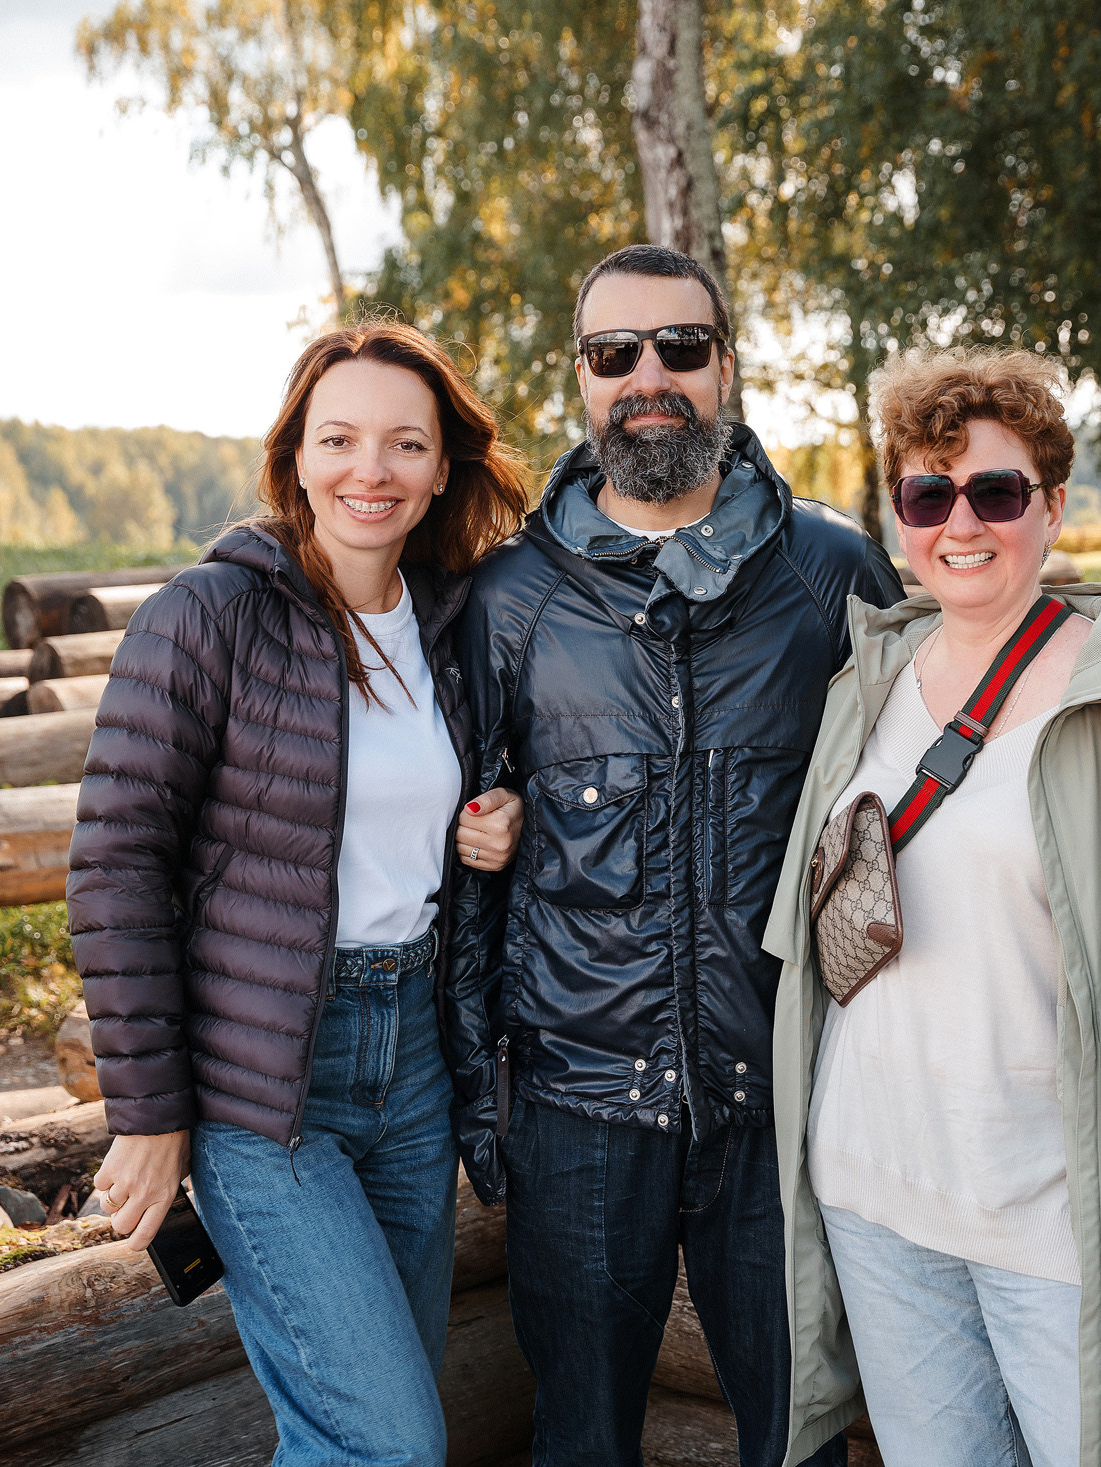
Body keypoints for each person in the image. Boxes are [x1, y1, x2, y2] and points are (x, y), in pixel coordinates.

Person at [761, 347, 1101, 1466]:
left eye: (995, 492)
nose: (962, 523)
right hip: (873, 1196)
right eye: (927, 493)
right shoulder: (865, 687)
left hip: (1062, 1224)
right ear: (896, 515)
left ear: (1052, 508)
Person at [443, 244, 904, 1467]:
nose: (650, 377)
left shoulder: (832, 572)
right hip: (577, 1109)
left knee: (799, 1440)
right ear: (583, 382)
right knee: (582, 1442)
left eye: (680, 349)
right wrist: (478, 1109)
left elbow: (906, 820)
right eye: (615, 354)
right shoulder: (509, 602)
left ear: (727, 369)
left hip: (786, 1102)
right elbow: (462, 879)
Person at [66, 318, 531, 1466]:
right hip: (265, 1082)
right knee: (385, 1440)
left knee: (359, 1428)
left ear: (441, 466)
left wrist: (493, 817)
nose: (369, 471)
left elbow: (453, 791)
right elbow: (116, 859)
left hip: (414, 1068)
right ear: (295, 457)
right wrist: (150, 1110)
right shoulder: (206, 616)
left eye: (404, 445)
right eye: (340, 439)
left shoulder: (451, 623)